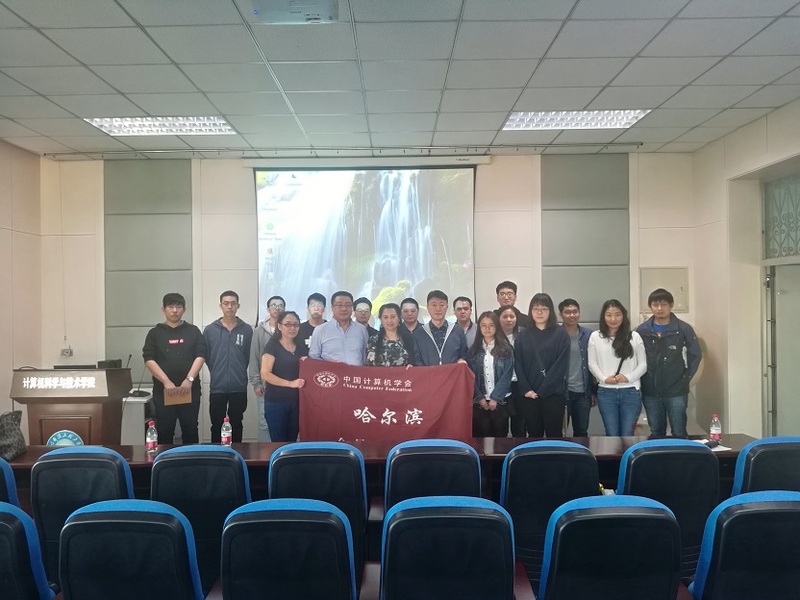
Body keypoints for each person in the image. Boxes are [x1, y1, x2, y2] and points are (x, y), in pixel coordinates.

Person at [636, 288, 702, 438]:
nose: (659, 308)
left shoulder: (683, 329)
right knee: (656, 432)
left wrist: (685, 378)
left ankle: (680, 454)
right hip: (650, 390)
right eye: (655, 305)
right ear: (650, 306)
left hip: (676, 390)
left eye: (664, 304)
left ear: (671, 305)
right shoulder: (642, 330)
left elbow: (695, 355)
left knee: (679, 431)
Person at [142, 292, 206, 444]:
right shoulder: (155, 333)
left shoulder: (193, 331)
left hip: (189, 389)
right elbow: (149, 359)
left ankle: (191, 458)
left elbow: (201, 355)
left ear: (184, 310)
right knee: (164, 430)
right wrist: (166, 382)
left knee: (190, 429)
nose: (175, 310)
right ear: (163, 309)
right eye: (171, 307)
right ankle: (164, 458)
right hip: (164, 391)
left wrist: (189, 379)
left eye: (178, 307)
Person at [513, 293, 569, 438]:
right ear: (530, 311)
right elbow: (518, 363)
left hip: (553, 395)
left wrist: (543, 390)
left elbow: (561, 366)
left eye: (544, 309)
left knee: (554, 435)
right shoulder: (523, 335)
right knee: (533, 435)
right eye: (535, 308)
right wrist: (526, 389)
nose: (539, 312)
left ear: (550, 311)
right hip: (529, 396)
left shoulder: (561, 334)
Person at [588, 299, 647, 437]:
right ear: (603, 317)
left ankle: (628, 453)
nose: (613, 319)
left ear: (623, 316)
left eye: (617, 314)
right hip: (606, 392)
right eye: (609, 315)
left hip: (630, 391)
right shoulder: (595, 337)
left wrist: (628, 378)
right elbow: (592, 364)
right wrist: (604, 379)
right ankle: (614, 453)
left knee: (628, 433)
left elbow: (643, 365)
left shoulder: (634, 337)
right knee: (611, 433)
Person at [203, 290, 253, 443]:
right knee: (216, 424)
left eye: (233, 303)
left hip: (239, 386)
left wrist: (238, 371)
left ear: (238, 306)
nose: (229, 307)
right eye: (226, 303)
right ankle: (216, 454)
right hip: (217, 386)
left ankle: (237, 454)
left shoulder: (246, 330)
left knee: (236, 423)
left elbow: (248, 356)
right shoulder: (210, 330)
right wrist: (217, 371)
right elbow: (207, 356)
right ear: (220, 306)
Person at [260, 311, 305, 442]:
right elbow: (265, 374)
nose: (292, 328)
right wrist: (290, 383)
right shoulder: (272, 346)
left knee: (291, 442)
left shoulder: (301, 347)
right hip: (276, 402)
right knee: (278, 443)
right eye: (288, 324)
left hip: (297, 402)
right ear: (279, 326)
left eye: (296, 325)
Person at [468, 311, 513, 438]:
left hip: (501, 401)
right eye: (483, 325)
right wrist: (480, 398)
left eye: (491, 325)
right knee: (482, 439)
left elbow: (507, 375)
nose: (487, 328)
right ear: (479, 328)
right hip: (480, 402)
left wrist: (495, 398)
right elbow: (470, 377)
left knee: (500, 439)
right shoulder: (473, 351)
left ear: (497, 327)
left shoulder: (506, 349)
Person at [248, 295, 285, 441]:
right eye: (274, 305)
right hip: (264, 385)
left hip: (285, 385)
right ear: (268, 309)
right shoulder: (259, 331)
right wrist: (256, 382)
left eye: (280, 305)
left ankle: (281, 452)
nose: (277, 308)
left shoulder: (289, 329)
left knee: (283, 421)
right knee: (264, 422)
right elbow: (254, 357)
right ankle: (264, 453)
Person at [558, 298, 596, 437]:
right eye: (567, 312)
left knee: (581, 432)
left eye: (575, 311)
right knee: (561, 432)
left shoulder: (588, 335)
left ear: (579, 313)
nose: (572, 315)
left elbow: (593, 364)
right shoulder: (556, 334)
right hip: (562, 392)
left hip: (583, 393)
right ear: (560, 315)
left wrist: (593, 391)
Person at [308, 291, 368, 365]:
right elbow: (313, 357)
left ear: (352, 308)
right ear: (332, 308)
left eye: (348, 305)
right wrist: (328, 364)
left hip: (356, 372)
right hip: (330, 371)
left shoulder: (361, 330)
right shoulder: (320, 330)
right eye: (339, 305)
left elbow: (365, 357)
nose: (344, 309)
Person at [413, 290, 468, 366]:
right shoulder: (419, 333)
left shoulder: (457, 331)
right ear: (427, 307)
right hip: (428, 373)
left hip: (452, 373)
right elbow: (417, 359)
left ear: (447, 307)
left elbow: (464, 354)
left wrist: (461, 360)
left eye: (442, 305)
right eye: (434, 305)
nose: (438, 309)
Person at [499, 305, 526, 437]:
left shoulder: (523, 335)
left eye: (512, 316)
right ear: (499, 319)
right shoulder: (494, 336)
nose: (508, 319)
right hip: (501, 384)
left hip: (519, 384)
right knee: (501, 424)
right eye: (505, 316)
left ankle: (519, 448)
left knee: (519, 423)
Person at [297, 292, 327, 357]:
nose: (316, 309)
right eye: (313, 306)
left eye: (319, 306)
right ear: (308, 308)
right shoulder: (300, 328)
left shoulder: (330, 328)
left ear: (324, 309)